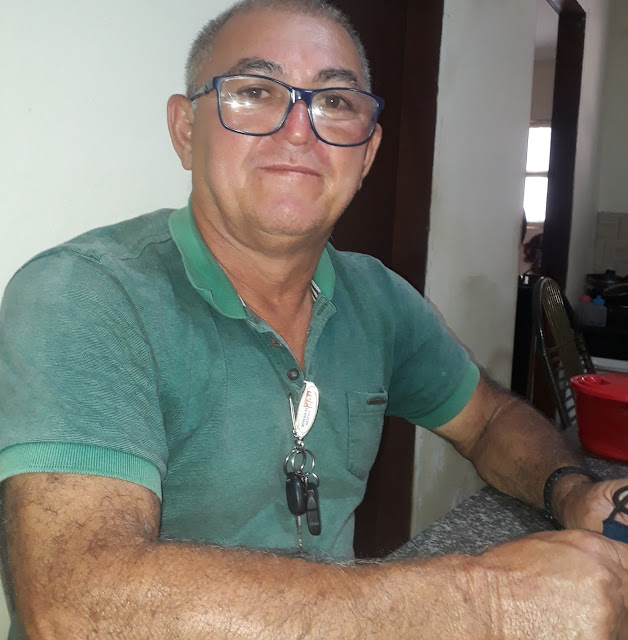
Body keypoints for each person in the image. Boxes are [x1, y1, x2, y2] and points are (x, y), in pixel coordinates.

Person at [0, 0, 627, 637]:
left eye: (334, 102)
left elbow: (488, 419)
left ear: (367, 153)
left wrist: (570, 490)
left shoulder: (377, 299)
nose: (299, 130)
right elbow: (71, 604)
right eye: (254, 92)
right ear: (185, 130)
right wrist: (485, 604)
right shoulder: (84, 294)